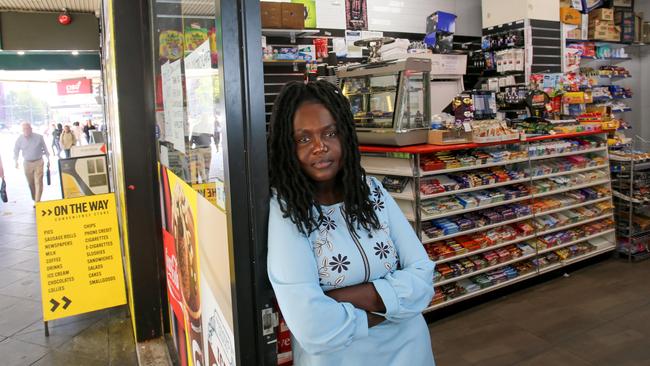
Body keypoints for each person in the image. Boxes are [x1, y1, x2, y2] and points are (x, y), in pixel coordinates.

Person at [266, 81, 436, 366]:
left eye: (330, 133)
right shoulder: (286, 210)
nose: (320, 147)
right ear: (287, 146)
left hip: (411, 353)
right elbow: (312, 327)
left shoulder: (372, 191)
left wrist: (344, 297)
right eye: (304, 139)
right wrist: (391, 303)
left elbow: (422, 276)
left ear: (344, 135)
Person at [14, 122, 49, 204]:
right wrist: (16, 161)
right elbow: (16, 150)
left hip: (38, 161)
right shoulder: (20, 139)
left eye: (27, 128)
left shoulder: (39, 137)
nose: (26, 130)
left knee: (38, 181)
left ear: (31, 129)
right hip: (27, 163)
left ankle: (37, 201)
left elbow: (45, 148)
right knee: (31, 183)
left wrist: (48, 159)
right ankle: (34, 197)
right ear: (22, 130)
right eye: (24, 129)